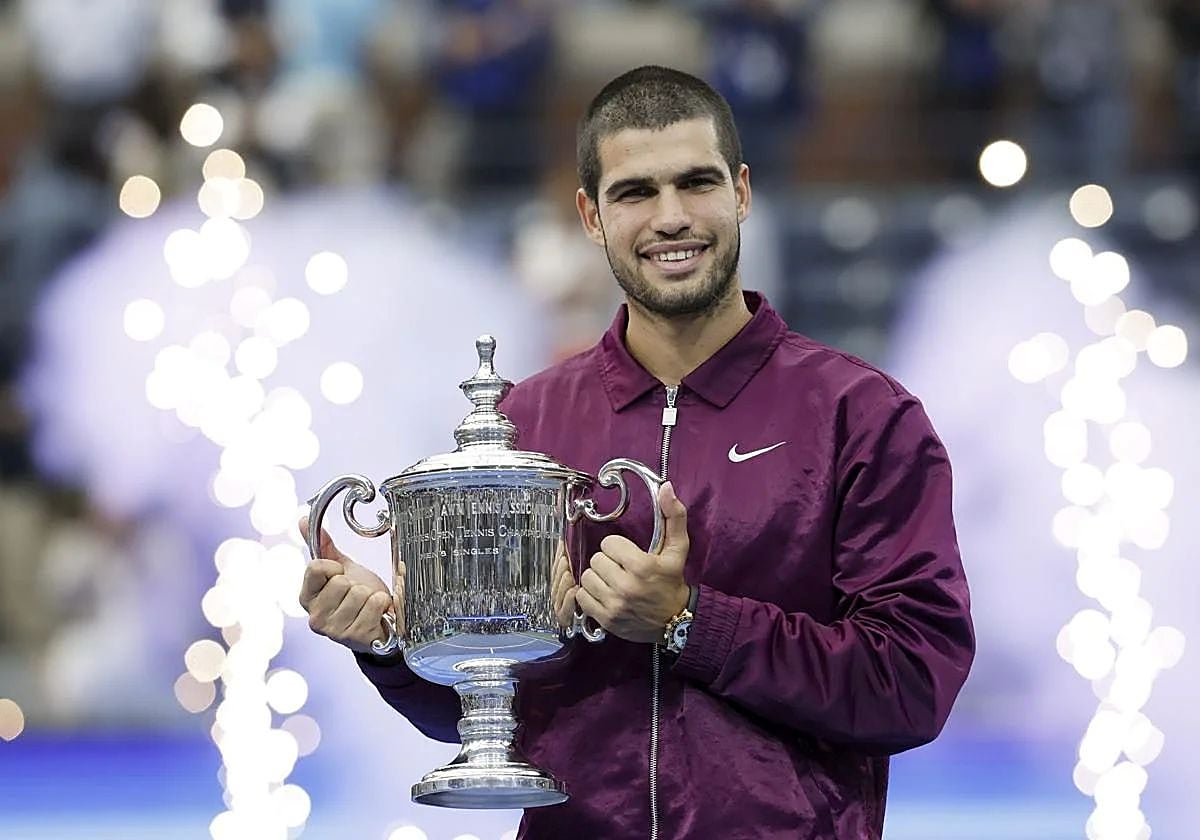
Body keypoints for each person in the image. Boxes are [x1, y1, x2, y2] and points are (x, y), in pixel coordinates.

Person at [300, 65, 975, 839]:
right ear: (590, 215)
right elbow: (483, 714)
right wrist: (385, 641)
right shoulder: (527, 424)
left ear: (743, 193)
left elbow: (913, 684)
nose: (672, 218)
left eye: (697, 183)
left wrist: (688, 619)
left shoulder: (862, 416)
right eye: (635, 193)